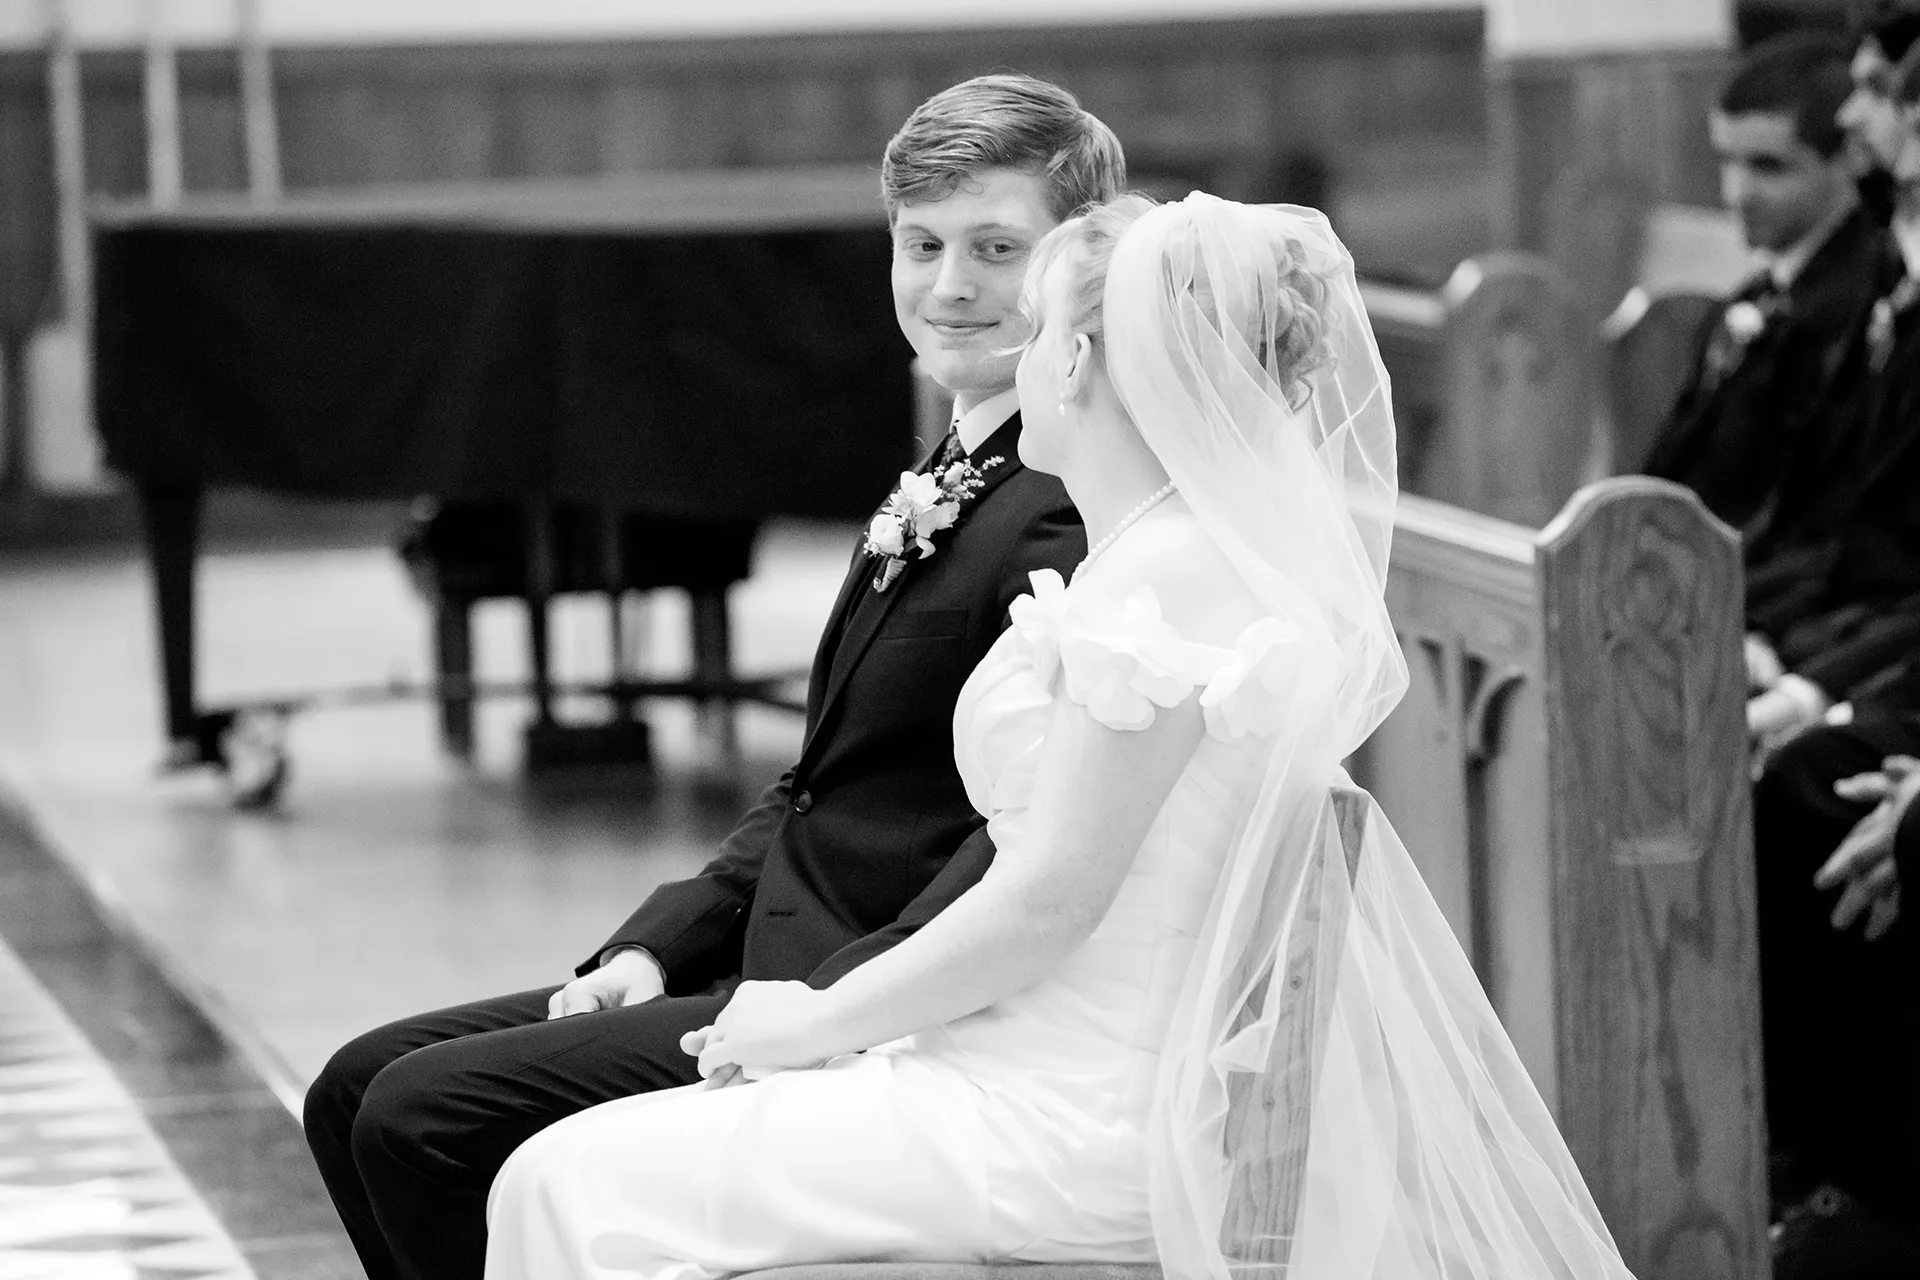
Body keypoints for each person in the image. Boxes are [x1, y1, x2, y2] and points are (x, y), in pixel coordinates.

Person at [483, 194, 1636, 1280]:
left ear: (1075, 363)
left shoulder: (1165, 586)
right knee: (570, 1173)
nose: (1014, 358)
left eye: (1034, 330)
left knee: (569, 1180)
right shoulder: (1161, 555)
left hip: (1069, 1110)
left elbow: (1049, 899)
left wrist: (817, 1019)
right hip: (1009, 1052)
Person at [302, 74, 1117, 1280]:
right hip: (764, 947)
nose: (950, 285)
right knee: (354, 1085)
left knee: (424, 1117)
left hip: (870, 988)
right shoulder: (961, 457)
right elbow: (817, 785)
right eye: (922, 244)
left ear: (1076, 263)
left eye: (997, 248)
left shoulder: (1058, 508)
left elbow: (1022, 839)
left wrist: (825, 1009)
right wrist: (653, 948)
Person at [1642, 33, 1894, 534]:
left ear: (1848, 157)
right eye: (1727, 161)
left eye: (1768, 167)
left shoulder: (1857, 304)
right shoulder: (1762, 293)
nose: (1737, 193)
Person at [1747, 47, 1920, 759]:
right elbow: (1821, 515)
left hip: (1880, 645)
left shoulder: (1852, 289)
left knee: (1802, 774)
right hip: (1846, 627)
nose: (1853, 115)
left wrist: (1811, 691)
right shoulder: (1885, 287)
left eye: (1879, 92)